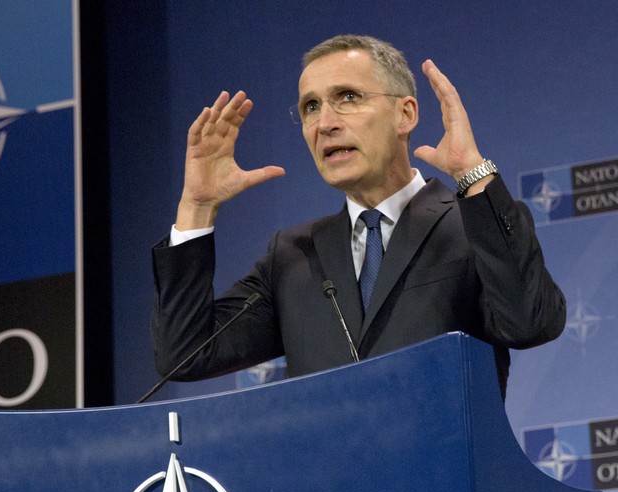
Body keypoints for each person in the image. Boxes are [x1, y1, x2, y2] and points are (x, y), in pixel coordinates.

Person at [150, 34, 565, 398]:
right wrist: (197, 208)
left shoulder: (472, 224)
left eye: (348, 97)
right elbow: (185, 354)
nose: (325, 123)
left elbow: (531, 323)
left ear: (405, 114)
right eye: (311, 107)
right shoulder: (292, 256)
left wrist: (472, 174)